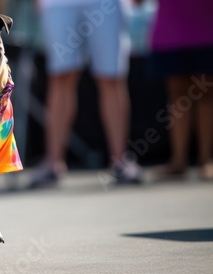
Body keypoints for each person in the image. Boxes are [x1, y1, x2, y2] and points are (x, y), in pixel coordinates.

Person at [31, 0, 142, 187]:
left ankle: (120, 161)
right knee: (60, 78)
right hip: (58, 4)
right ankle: (53, 163)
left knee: (111, 78)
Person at [148, 0, 213, 180]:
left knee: (206, 95)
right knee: (177, 96)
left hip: (206, 29)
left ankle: (206, 160)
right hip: (170, 33)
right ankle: (178, 161)